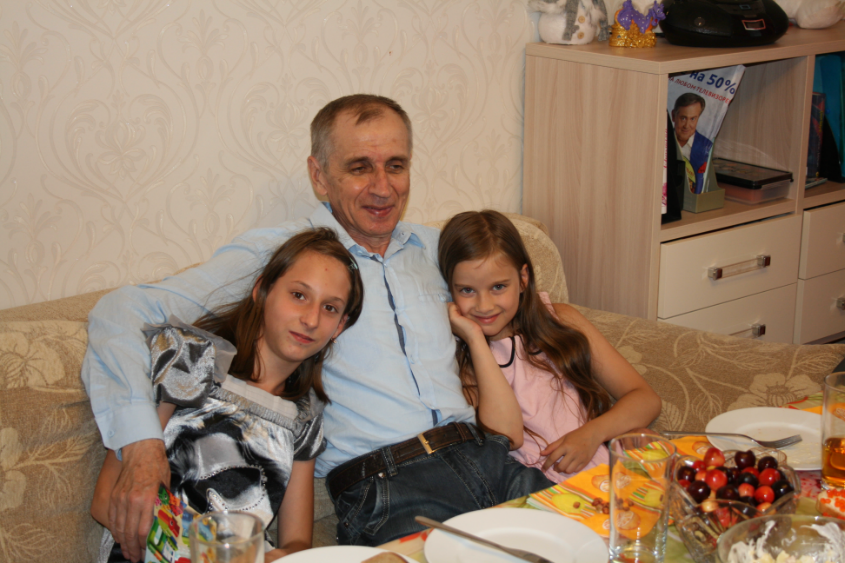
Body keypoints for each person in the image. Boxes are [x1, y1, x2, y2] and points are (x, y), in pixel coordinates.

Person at [81, 94, 553, 560]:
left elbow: (526, 306)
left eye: (395, 165)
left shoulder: (440, 250)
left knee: (584, 537)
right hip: (388, 486)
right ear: (319, 176)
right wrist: (141, 444)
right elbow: (120, 311)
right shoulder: (282, 257)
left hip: (489, 457)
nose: (383, 188)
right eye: (359, 167)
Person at [90, 228, 365, 562]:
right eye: (298, 295)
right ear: (262, 290)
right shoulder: (189, 359)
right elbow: (105, 501)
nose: (311, 319)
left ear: (339, 326)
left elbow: (296, 545)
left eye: (330, 308)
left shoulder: (304, 417)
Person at [437, 210, 662, 482]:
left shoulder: (561, 320)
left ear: (523, 278)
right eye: (467, 290)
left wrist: (592, 433)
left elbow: (645, 399)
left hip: (604, 472)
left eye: (498, 287)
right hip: (540, 490)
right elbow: (507, 437)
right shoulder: (462, 361)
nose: (484, 305)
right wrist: (475, 339)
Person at [671, 92, 713, 193]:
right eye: (683, 118)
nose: (687, 125)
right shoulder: (661, 141)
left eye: (693, 119)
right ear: (673, 116)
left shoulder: (706, 146)